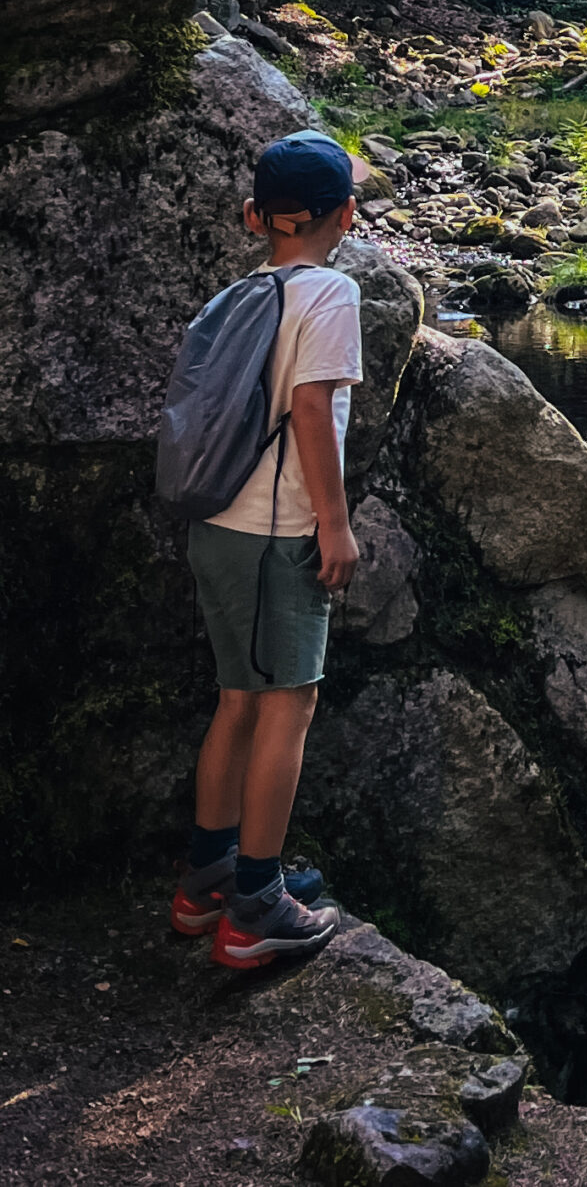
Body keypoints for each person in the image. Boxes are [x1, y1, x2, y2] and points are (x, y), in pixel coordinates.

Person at [167, 130, 368, 967]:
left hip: (216, 523)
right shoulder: (328, 294)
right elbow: (313, 411)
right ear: (345, 215)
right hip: (275, 531)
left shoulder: (240, 294)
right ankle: (255, 905)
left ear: (257, 216)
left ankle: (206, 876)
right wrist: (335, 523)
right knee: (288, 704)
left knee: (238, 701)